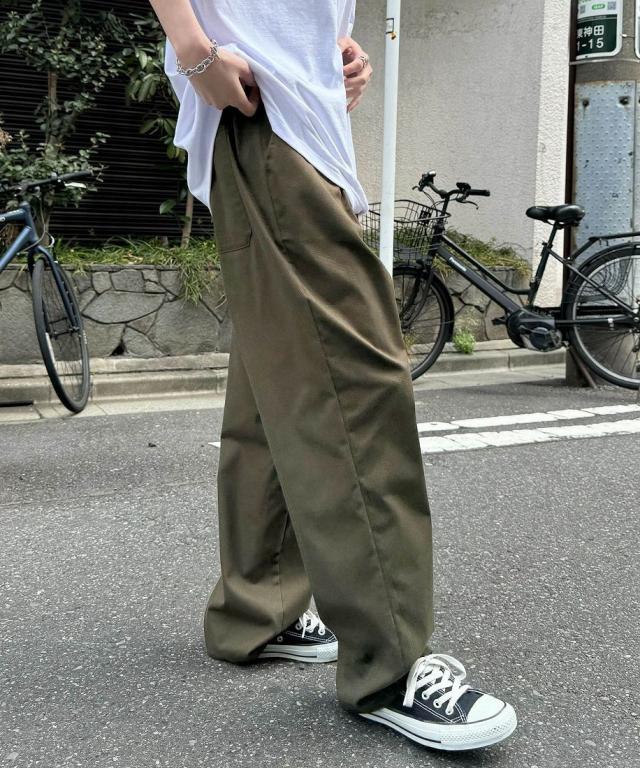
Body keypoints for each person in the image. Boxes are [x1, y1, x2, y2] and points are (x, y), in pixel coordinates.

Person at [149, 0, 517, 752]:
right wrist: (193, 48)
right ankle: (390, 664)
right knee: (357, 384)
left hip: (294, 120)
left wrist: (337, 46)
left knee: (272, 380)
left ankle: (258, 609)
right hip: (266, 116)